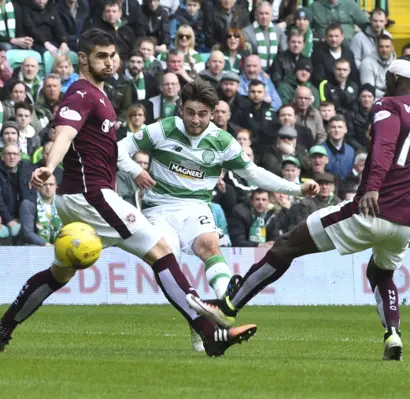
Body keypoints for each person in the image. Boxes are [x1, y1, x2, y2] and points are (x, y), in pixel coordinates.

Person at [0, 28, 257, 357]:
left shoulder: (99, 94)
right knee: (161, 250)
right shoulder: (81, 93)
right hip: (91, 196)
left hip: (80, 197)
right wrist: (50, 165)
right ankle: (209, 333)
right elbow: (64, 134)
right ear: (83, 59)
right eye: (101, 56)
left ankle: (3, 329)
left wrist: (133, 170)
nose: (110, 62)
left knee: (59, 272)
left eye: (113, 56)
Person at [186, 56, 410, 362]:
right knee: (381, 273)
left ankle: (227, 308)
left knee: (287, 245)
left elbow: (383, 148)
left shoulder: (389, 106)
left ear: (395, 80)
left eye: (388, 79)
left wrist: (372, 186)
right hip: (407, 221)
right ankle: (393, 334)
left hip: (370, 210)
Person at [117, 79, 317, 350]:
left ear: (212, 114)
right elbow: (119, 148)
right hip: (159, 208)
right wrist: (136, 171)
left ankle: (223, 306)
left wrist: (296, 189)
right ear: (181, 109)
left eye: (202, 114)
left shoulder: (222, 142)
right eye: (190, 112)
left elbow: (254, 173)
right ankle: (197, 321)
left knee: (210, 246)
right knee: (167, 262)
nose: (195, 120)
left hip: (196, 208)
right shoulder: (163, 129)